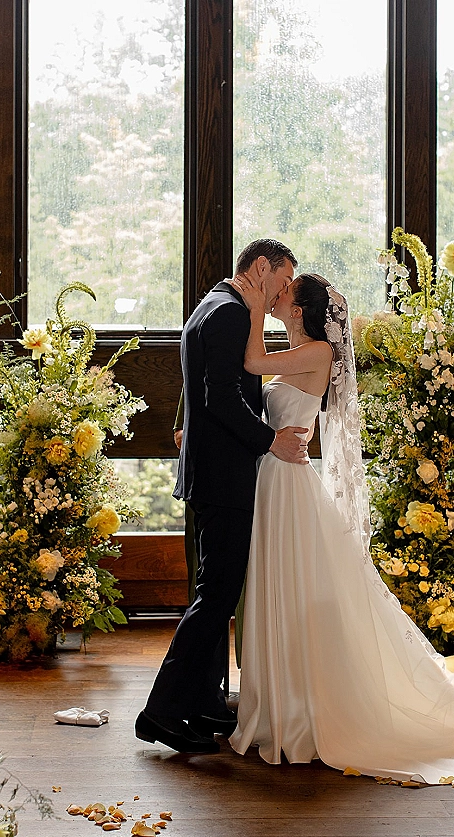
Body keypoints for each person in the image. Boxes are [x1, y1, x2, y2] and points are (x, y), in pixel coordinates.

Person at [228, 272, 454, 782]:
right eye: (274, 293)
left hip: (289, 482)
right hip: (275, 477)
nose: (276, 298)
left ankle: (300, 709)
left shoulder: (320, 353)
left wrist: (253, 305)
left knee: (297, 587)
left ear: (299, 311)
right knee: (284, 589)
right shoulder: (298, 351)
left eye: (282, 294)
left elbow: (252, 363)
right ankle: (281, 699)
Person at [135, 239, 309, 755]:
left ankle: (203, 703)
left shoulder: (212, 305)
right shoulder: (231, 314)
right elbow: (221, 399)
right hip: (225, 477)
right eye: (281, 281)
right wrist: (268, 439)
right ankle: (161, 713)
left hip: (211, 474)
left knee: (216, 594)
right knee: (215, 597)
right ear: (261, 268)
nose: (283, 294)